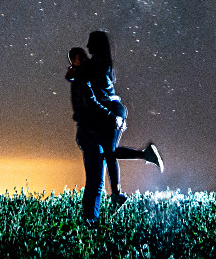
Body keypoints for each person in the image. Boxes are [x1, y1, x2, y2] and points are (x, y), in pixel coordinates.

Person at [67, 32, 163, 220]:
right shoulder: (104, 64)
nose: (87, 47)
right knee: (107, 153)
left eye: (90, 43)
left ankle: (116, 195)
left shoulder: (93, 66)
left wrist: (73, 73)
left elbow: (88, 93)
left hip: (108, 115)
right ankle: (139, 161)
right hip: (112, 113)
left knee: (105, 159)